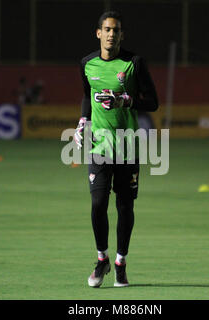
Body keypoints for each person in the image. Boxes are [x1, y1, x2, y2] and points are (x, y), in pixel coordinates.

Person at [73, 11, 159, 288]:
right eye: (107, 30)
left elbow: (153, 102)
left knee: (125, 206)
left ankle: (121, 263)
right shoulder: (87, 64)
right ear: (98, 33)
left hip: (127, 145)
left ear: (122, 35)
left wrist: (126, 101)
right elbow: (88, 95)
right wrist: (82, 120)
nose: (112, 34)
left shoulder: (134, 63)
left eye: (117, 30)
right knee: (98, 204)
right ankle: (102, 259)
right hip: (100, 146)